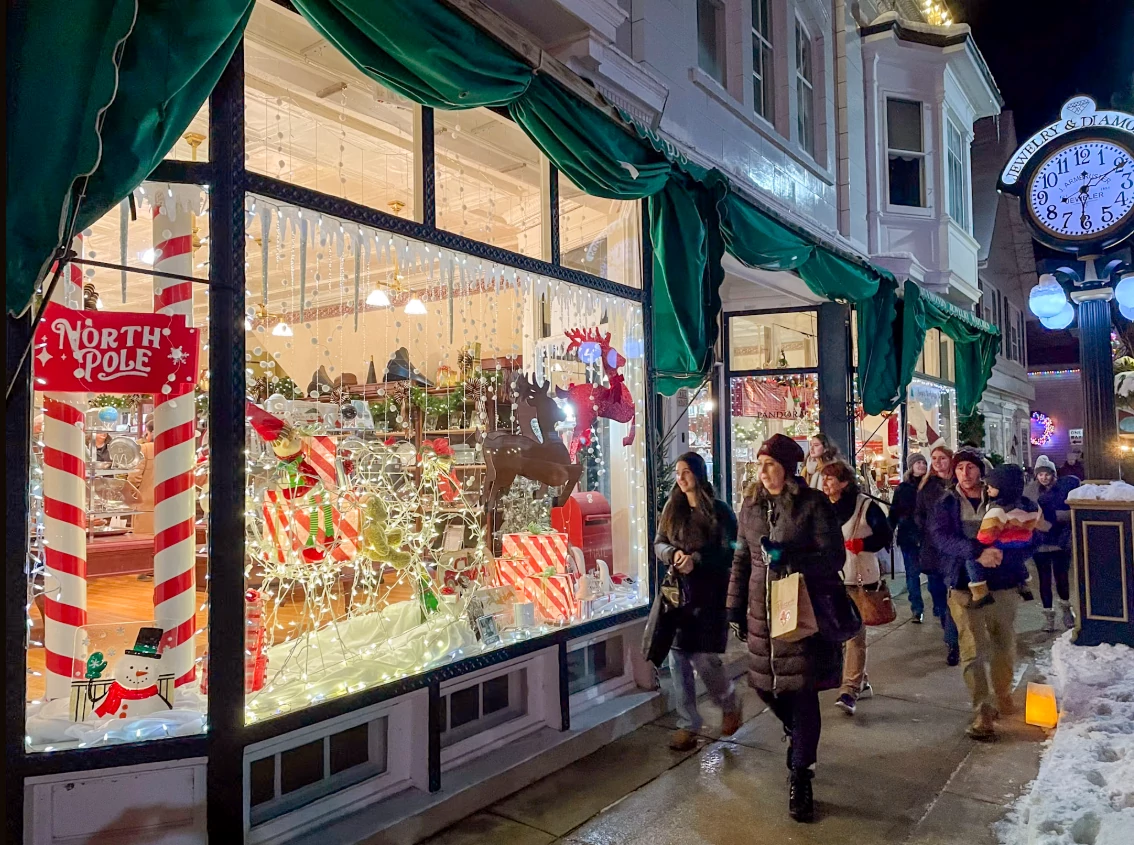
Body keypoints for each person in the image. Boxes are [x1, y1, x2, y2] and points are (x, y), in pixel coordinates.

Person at [728, 433, 850, 822]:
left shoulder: (812, 505)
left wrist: (792, 557)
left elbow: (833, 557)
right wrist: (733, 607)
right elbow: (741, 560)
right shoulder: (749, 507)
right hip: (761, 615)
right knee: (766, 688)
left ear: (788, 468)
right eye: (760, 465)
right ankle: (797, 738)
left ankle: (801, 774)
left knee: (801, 693)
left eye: (771, 465)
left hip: (799, 613)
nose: (763, 473)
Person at [930, 453, 1031, 741]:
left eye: (970, 467)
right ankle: (982, 710)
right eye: (959, 467)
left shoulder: (1004, 497)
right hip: (963, 585)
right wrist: (977, 553)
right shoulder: (946, 502)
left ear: (982, 471)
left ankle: (1002, 695)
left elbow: (1026, 533)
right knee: (972, 649)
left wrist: (1007, 555)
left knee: (1004, 644)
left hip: (1003, 583)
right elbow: (940, 538)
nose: (965, 473)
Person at [653, 452, 741, 751]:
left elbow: (732, 548)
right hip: (678, 595)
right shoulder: (672, 509)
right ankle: (688, 723)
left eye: (686, 471)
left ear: (699, 474)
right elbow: (659, 542)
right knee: (677, 658)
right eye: (678, 472)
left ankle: (728, 701)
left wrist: (698, 559)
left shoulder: (719, 511)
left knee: (704, 658)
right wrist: (671, 555)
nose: (681, 477)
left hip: (710, 594)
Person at [820, 461, 892, 716]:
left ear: (844, 482)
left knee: (855, 635)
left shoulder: (865, 505)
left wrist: (863, 543)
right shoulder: (822, 507)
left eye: (830, 478)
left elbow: (885, 535)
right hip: (832, 578)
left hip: (861, 578)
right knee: (838, 635)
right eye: (824, 478)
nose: (826, 483)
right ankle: (859, 677)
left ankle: (849, 689)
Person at [916, 445, 960, 664]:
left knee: (955, 596)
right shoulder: (928, 487)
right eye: (934, 458)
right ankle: (949, 636)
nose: (938, 462)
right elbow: (919, 516)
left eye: (942, 458)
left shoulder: (958, 485)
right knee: (939, 596)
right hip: (932, 550)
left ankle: (954, 642)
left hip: (954, 551)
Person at [970, 470, 1041, 607]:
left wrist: (976, 544)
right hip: (1024, 543)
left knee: (972, 558)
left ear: (1003, 487)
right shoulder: (1031, 505)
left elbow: (985, 536)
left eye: (991, 486)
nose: (988, 489)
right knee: (1017, 561)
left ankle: (980, 592)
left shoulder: (998, 510)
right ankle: (1024, 583)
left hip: (1002, 545)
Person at [1034, 474, 1080, 632]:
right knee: (1044, 581)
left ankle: (1067, 611)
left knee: (1062, 578)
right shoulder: (1032, 492)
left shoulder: (1063, 489)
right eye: (1040, 474)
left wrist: (1053, 517)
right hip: (1040, 544)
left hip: (1060, 543)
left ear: (1053, 475)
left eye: (1047, 474)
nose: (1044, 478)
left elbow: (1070, 512)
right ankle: (1049, 616)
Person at [889, 452, 928, 622]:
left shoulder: (931, 487)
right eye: (917, 462)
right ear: (911, 466)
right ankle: (916, 609)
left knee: (933, 574)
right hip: (908, 536)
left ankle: (941, 607)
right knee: (912, 574)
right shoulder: (903, 488)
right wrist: (888, 531)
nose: (921, 465)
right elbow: (894, 512)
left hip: (928, 537)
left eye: (923, 462)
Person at [129, 420, 156, 535]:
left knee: (147, 547)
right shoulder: (182, 449)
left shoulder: (144, 449)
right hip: (177, 511)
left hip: (146, 508)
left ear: (151, 432)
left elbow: (134, 479)